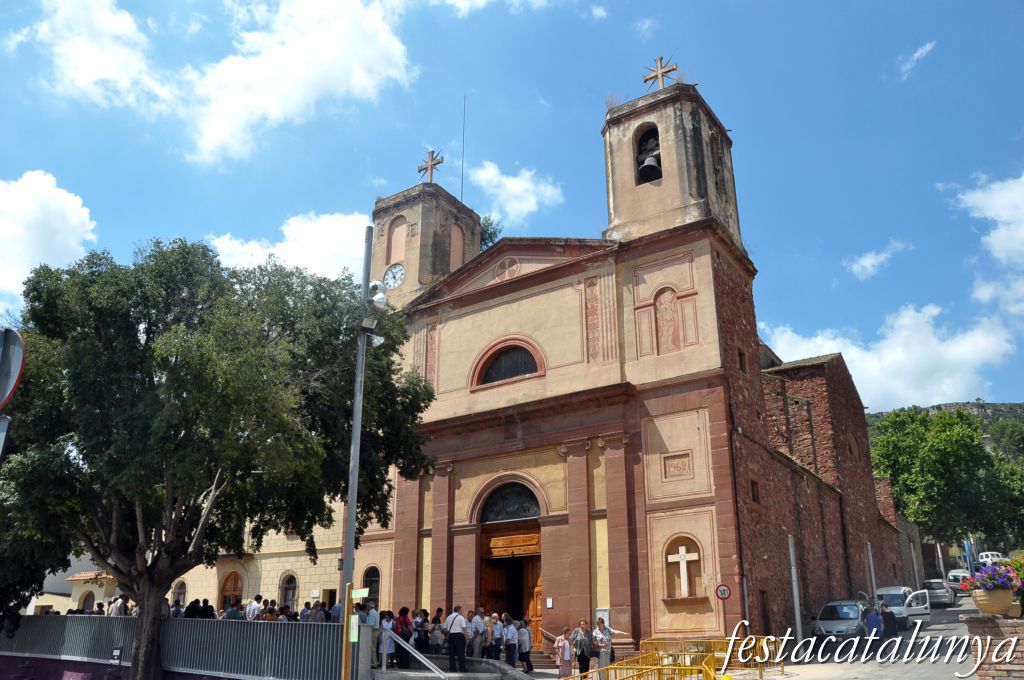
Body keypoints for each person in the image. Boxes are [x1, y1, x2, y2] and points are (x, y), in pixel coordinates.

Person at [444, 604, 469, 673]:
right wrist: (466, 638)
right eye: (461, 610)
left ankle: (452, 669)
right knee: (461, 653)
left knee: (451, 654)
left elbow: (445, 628)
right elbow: (464, 629)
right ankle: (462, 669)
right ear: (458, 610)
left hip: (451, 636)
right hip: (459, 636)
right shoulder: (461, 617)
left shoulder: (448, 617)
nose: (462, 612)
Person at [366, 601, 382, 668]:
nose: (367, 607)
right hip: (376, 630)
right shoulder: (375, 612)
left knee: (372, 647)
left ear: (370, 606)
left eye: (367, 606)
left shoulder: (372, 613)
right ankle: (374, 662)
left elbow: (371, 624)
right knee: (374, 647)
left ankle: (373, 663)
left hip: (372, 630)